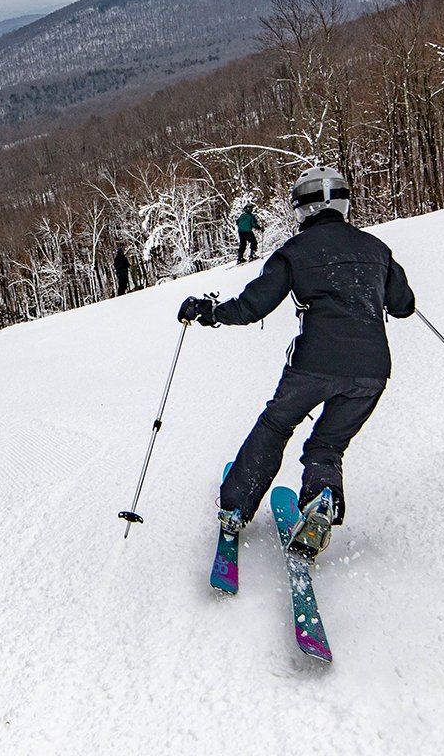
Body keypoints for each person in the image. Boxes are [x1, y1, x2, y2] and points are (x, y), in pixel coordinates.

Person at [178, 165, 415, 556]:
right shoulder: (376, 249)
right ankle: (321, 498)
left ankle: (236, 507)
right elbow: (404, 306)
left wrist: (209, 312)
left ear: (301, 209)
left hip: (315, 363)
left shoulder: (294, 253)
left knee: (276, 424)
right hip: (372, 370)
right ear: (343, 202)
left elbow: (252, 307)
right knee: (328, 444)